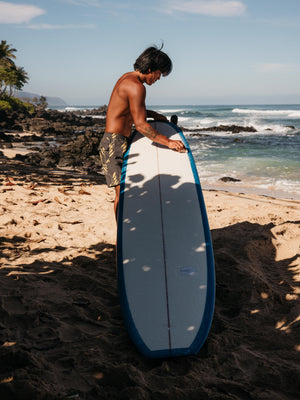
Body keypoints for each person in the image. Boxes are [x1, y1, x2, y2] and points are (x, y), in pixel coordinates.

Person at [99, 45, 186, 218]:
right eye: (159, 74)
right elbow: (141, 125)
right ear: (150, 69)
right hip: (114, 144)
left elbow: (128, 110)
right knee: (121, 195)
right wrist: (168, 141)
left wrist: (153, 114)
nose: (158, 79)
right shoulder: (136, 86)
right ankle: (122, 239)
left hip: (116, 142)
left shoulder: (126, 78)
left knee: (125, 194)